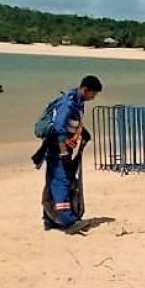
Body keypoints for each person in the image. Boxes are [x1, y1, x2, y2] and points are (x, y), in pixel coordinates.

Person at [38, 75, 102, 233]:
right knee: (62, 182)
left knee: (53, 181)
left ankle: (49, 220)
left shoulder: (77, 102)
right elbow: (59, 128)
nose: (94, 97)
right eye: (93, 94)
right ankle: (68, 222)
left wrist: (83, 132)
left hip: (63, 148)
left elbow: (71, 123)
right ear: (85, 90)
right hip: (57, 148)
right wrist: (64, 153)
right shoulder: (68, 104)